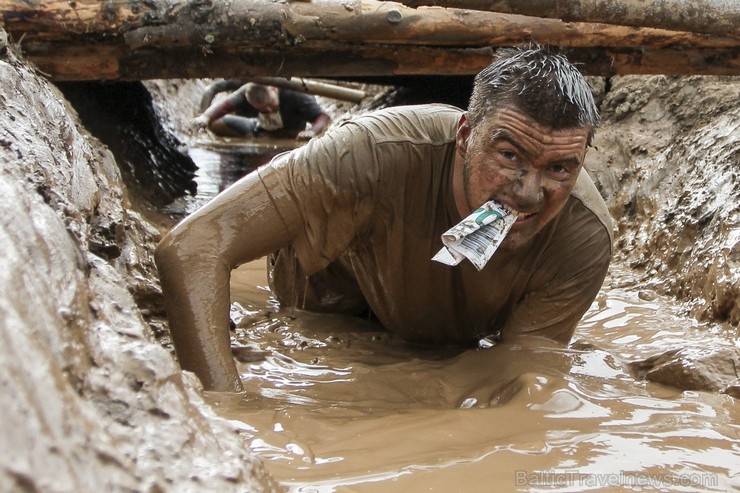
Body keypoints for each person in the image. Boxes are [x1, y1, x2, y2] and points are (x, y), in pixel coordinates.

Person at [156, 46, 613, 392]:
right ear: (466, 136)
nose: (529, 192)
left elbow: (513, 371)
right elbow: (194, 245)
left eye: (558, 168)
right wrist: (226, 410)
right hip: (326, 300)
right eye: (509, 154)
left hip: (446, 341)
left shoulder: (583, 238)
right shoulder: (370, 152)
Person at [192, 82, 331, 140]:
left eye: (271, 104)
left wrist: (312, 131)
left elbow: (323, 117)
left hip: (291, 135)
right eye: (263, 109)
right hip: (259, 130)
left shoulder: (295, 94)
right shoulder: (245, 92)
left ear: (274, 89)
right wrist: (205, 118)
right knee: (214, 123)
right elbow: (224, 105)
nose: (269, 110)